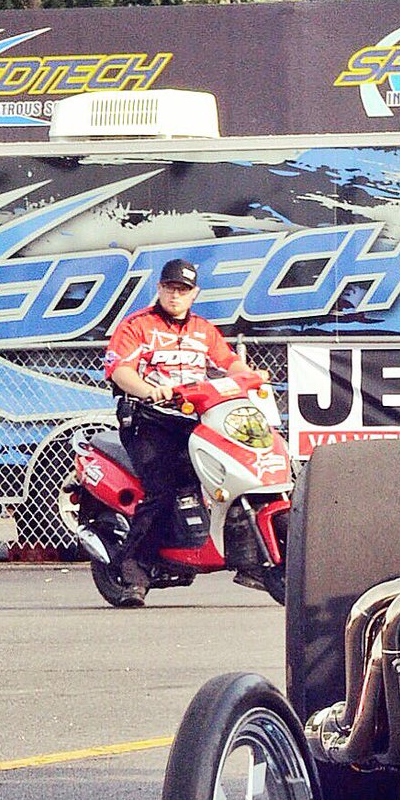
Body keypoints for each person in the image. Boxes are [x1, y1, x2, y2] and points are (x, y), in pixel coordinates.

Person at [103, 258, 263, 606]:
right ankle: (133, 567)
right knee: (161, 489)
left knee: (231, 473)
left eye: (184, 290)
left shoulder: (204, 330)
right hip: (147, 419)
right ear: (159, 289)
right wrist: (147, 390)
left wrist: (250, 376)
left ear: (195, 294)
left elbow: (229, 363)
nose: (176, 295)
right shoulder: (136, 326)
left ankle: (246, 558)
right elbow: (119, 370)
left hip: (192, 420)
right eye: (170, 288)